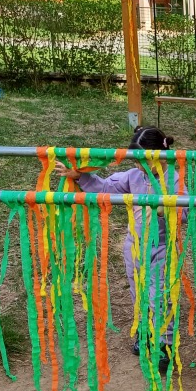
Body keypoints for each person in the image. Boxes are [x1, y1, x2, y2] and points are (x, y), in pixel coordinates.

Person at [56, 126, 181, 371]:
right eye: (136, 161)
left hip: (162, 248)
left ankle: (165, 345)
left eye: (145, 161)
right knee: (139, 293)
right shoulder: (134, 177)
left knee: (159, 296)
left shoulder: (174, 180)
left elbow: (184, 212)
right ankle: (145, 333)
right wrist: (79, 177)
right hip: (134, 246)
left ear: (161, 155)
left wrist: (166, 209)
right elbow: (106, 188)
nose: (140, 166)